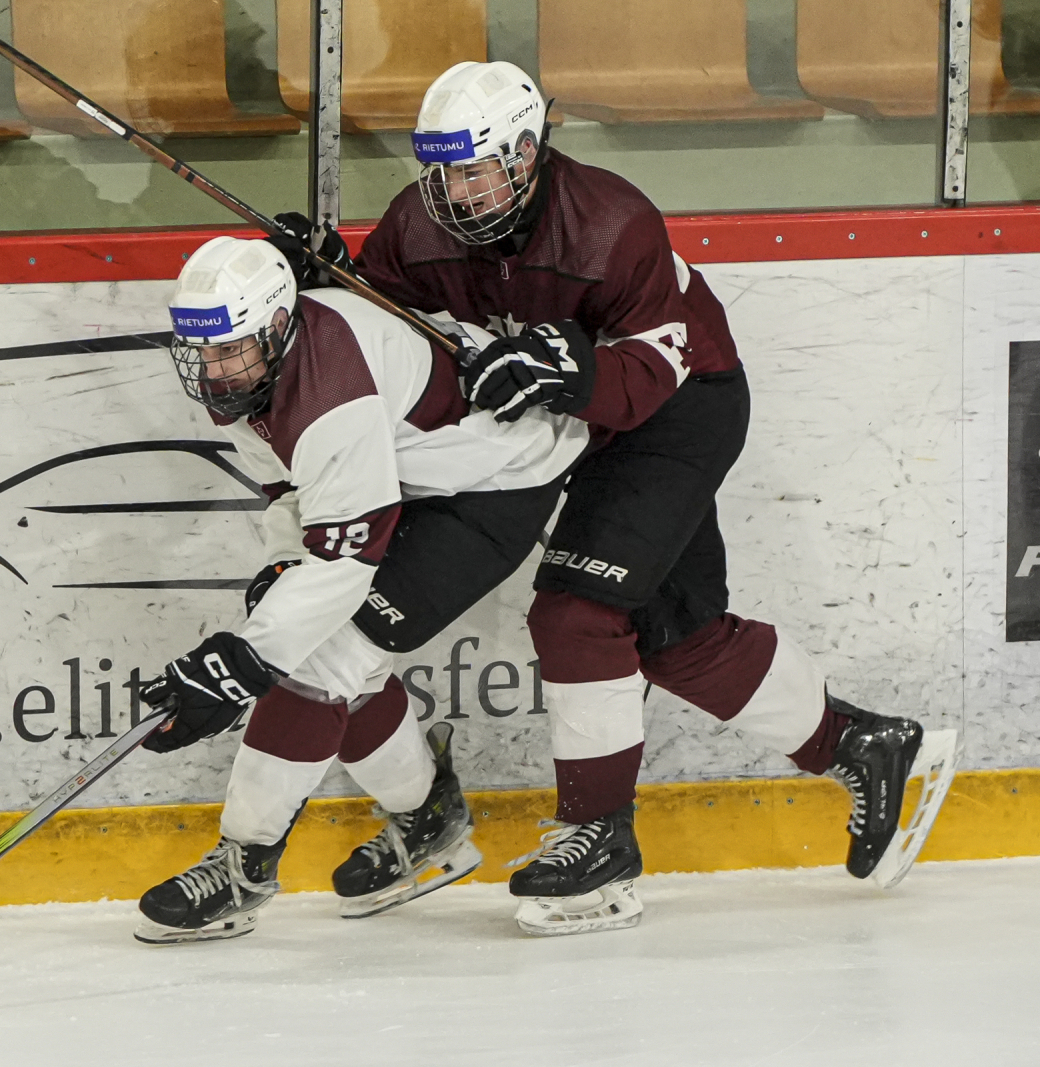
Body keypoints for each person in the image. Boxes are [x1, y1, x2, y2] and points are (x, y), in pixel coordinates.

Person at [269, 61, 958, 937]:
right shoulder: (416, 222)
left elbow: (650, 370)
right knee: (675, 635)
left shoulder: (612, 222)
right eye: (440, 170)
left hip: (672, 409)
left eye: (474, 170)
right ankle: (864, 744)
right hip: (558, 427)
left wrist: (567, 371)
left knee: (578, 612)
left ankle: (598, 836)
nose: (455, 191)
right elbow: (391, 325)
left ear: (526, 153)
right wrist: (327, 281)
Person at [131, 235, 589, 945]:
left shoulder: (328, 388)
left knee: (321, 661)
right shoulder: (257, 369)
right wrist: (281, 571)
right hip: (410, 474)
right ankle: (430, 820)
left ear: (277, 326)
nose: (214, 371)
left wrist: (242, 661)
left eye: (229, 351)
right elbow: (293, 492)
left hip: (493, 481)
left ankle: (243, 866)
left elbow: (342, 564)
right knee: (342, 657)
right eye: (202, 352)